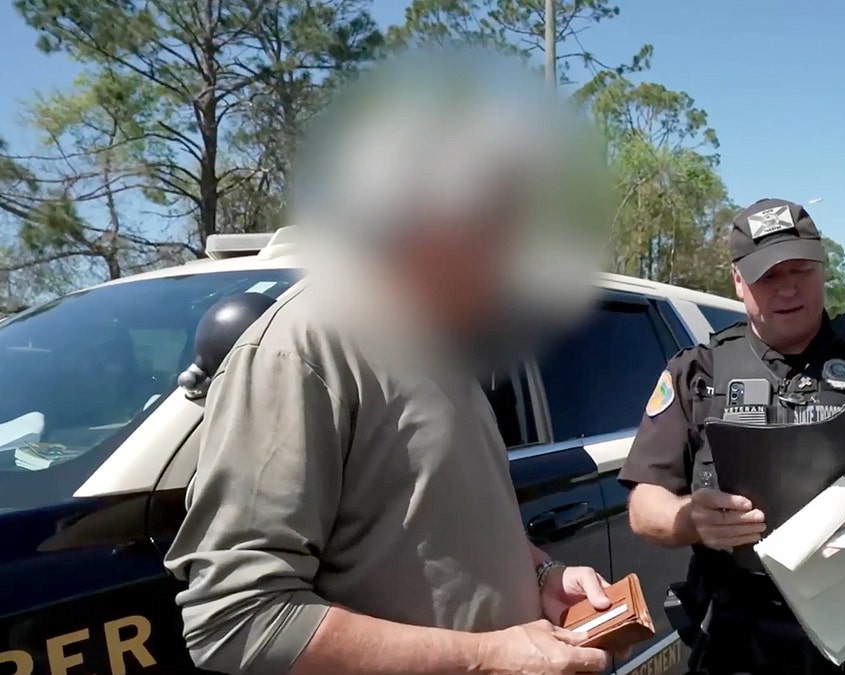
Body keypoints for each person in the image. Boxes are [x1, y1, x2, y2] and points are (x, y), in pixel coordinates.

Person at [163, 53, 616, 675]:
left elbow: (437, 531)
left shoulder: (444, 346)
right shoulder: (306, 345)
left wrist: (542, 572)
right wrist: (486, 658)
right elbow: (236, 619)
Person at [618, 198, 845, 674]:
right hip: (741, 647)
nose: (788, 288)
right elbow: (644, 506)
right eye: (768, 275)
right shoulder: (697, 373)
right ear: (738, 281)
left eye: (800, 269)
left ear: (822, 268)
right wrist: (693, 518)